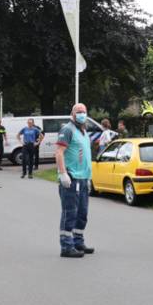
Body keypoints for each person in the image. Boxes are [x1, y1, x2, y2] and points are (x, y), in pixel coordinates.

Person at [55, 103, 95, 258]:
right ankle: (66, 246)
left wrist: (89, 179)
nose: (81, 114)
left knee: (82, 213)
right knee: (70, 213)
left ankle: (78, 242)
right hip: (71, 179)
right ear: (72, 114)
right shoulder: (67, 129)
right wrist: (63, 173)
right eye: (78, 112)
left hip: (83, 179)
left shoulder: (83, 131)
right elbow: (59, 152)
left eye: (84, 112)